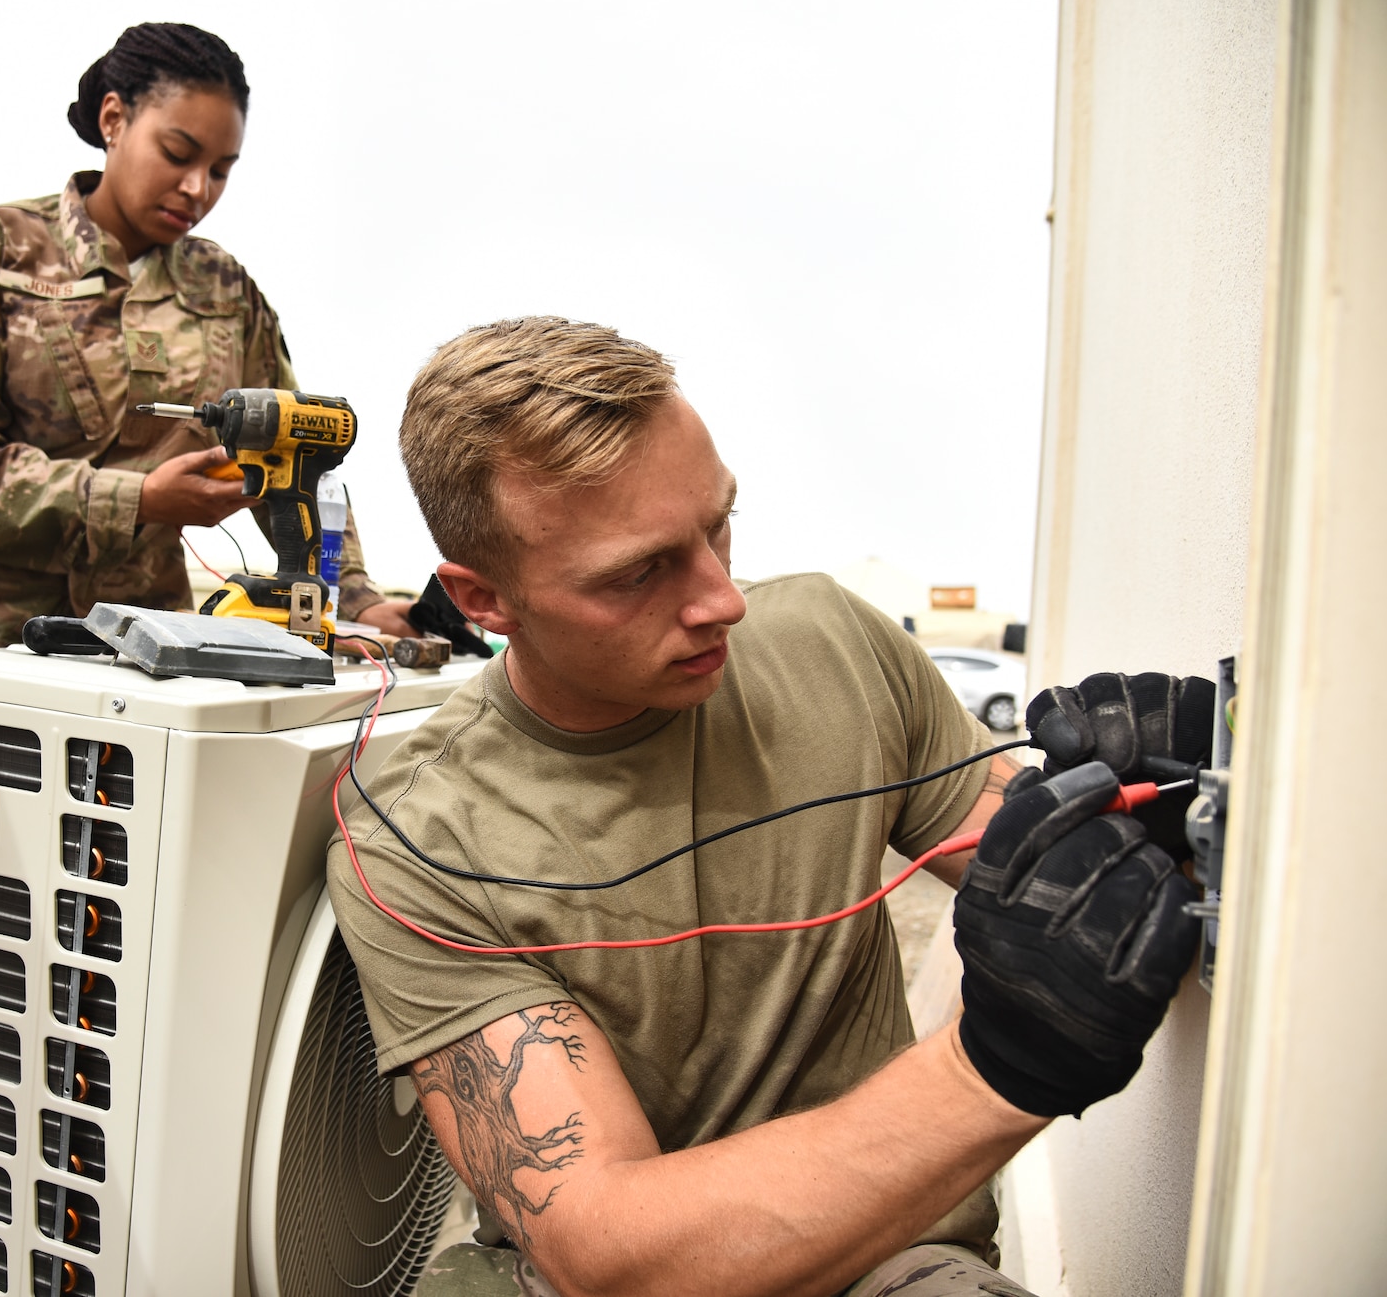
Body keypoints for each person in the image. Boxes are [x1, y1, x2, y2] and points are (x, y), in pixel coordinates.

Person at [328, 317, 1207, 1297]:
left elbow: (1040, 877)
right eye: (637, 572)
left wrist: (1155, 815)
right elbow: (601, 1249)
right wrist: (991, 1071)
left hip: (893, 1262)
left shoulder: (833, 643)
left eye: (716, 528)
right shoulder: (416, 844)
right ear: (483, 600)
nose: (721, 601)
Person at [0, 22, 416, 879]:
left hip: (129, 663)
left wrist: (353, 598)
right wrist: (140, 500)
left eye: (221, 169)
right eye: (178, 151)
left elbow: (295, 454)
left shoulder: (226, 291)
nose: (198, 186)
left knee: (98, 940)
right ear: (112, 119)